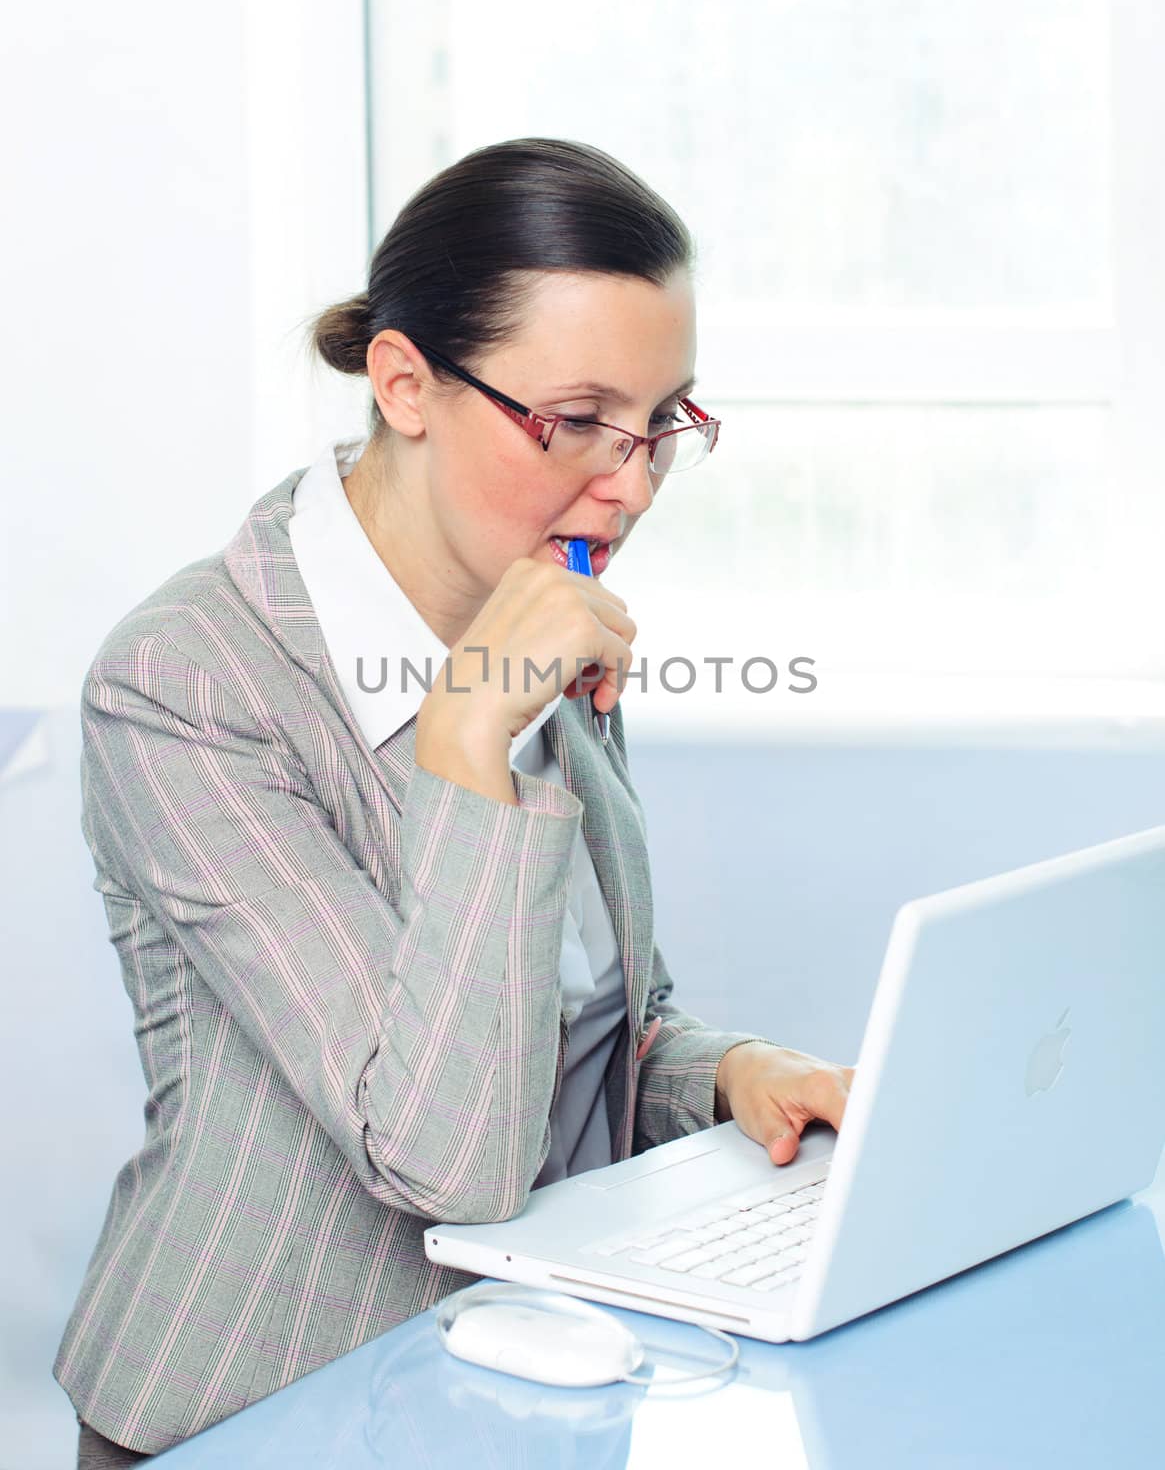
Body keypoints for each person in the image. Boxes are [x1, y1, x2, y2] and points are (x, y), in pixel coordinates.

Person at [57, 137, 854, 1465]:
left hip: (530, 1392)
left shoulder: (535, 595)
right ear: (405, 383)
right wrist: (470, 736)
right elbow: (442, 1155)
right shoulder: (183, 682)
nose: (631, 482)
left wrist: (728, 1078)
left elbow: (588, 1018)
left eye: (661, 421)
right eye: (575, 419)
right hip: (258, 1414)